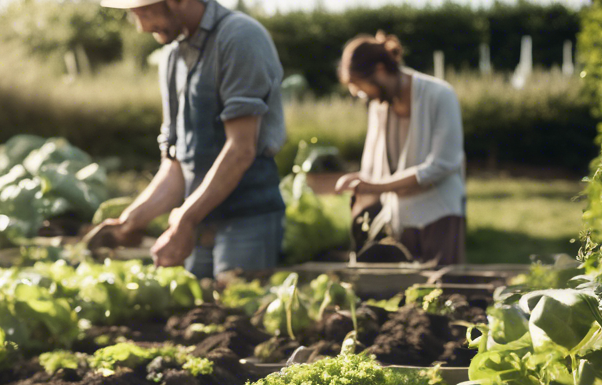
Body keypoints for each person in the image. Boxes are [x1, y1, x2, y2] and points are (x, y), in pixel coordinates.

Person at [84, 0, 287, 278]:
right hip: (199, 221)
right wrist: (129, 222)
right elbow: (176, 163)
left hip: (247, 218)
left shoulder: (239, 37)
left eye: (144, 11)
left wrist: (184, 219)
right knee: (200, 313)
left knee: (239, 311)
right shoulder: (172, 58)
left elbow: (241, 149)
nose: (141, 27)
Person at [334, 33, 467, 265]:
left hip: (439, 215)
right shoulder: (379, 103)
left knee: (445, 291)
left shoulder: (440, 95)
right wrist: (361, 183)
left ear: (380, 70)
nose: (363, 95)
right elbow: (375, 162)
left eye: (361, 86)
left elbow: (442, 165)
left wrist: (378, 186)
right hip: (400, 220)